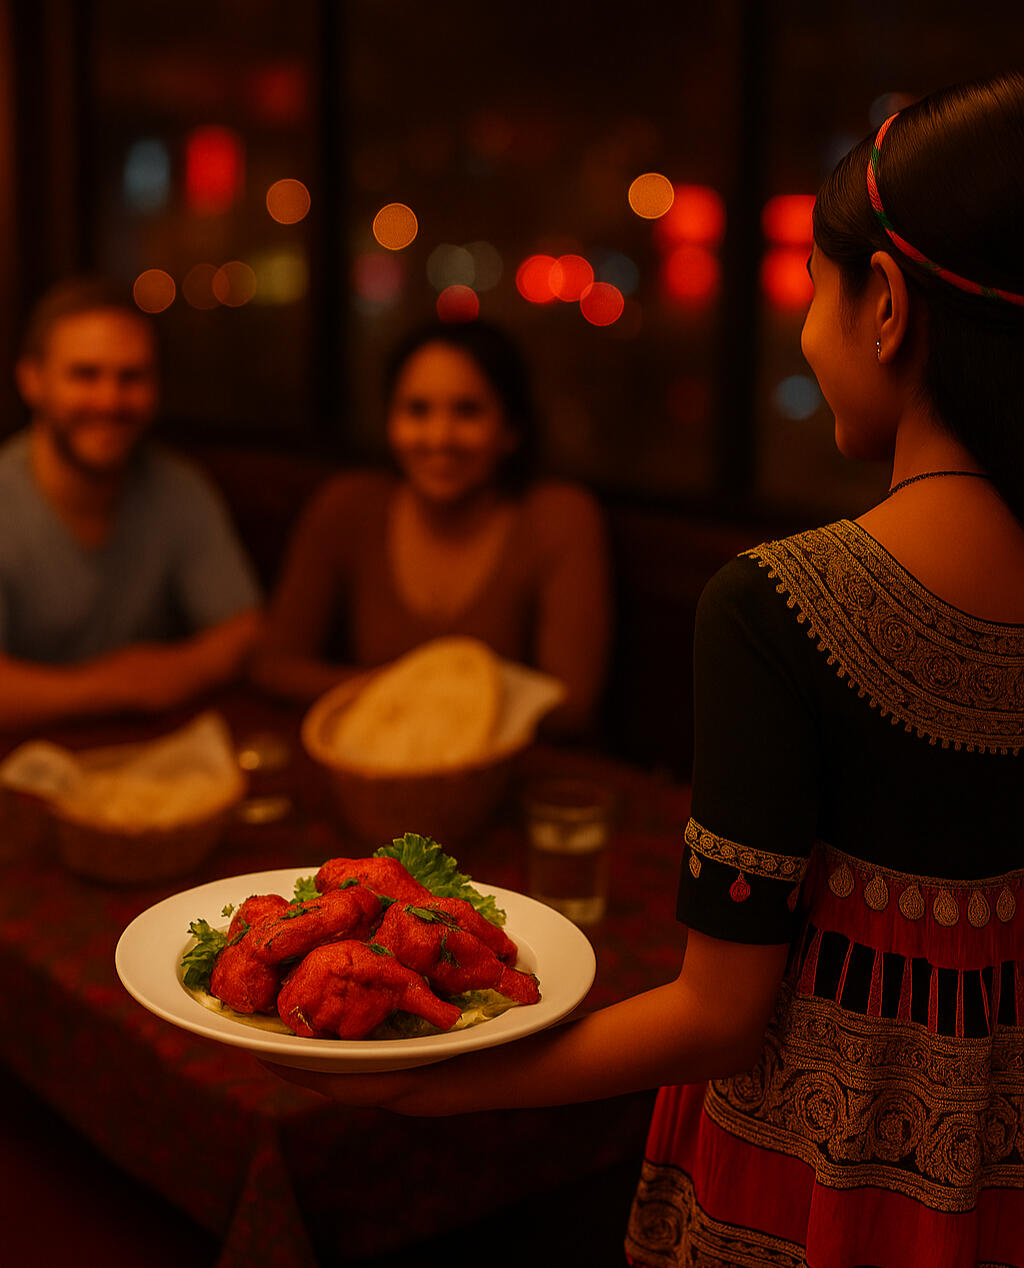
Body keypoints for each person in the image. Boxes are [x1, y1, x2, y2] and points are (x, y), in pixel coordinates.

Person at [271, 72, 1024, 1268]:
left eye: (812, 292)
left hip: (805, 1178)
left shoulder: (778, 603)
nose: (799, 330)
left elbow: (719, 1018)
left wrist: (441, 1083)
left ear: (884, 304)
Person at [251, 319, 611, 739]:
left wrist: (405, 701)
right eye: (417, 410)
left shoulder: (559, 517)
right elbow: (273, 665)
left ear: (511, 430)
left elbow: (570, 704)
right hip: (376, 763)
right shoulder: (349, 505)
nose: (439, 437)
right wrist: (407, 697)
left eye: (468, 411)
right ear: (390, 422)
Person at [0, 276, 262, 730]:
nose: (109, 400)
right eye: (85, 375)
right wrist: (114, 687)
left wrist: (174, 672)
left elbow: (244, 631)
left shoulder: (179, 487)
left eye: (131, 377)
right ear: (32, 381)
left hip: (149, 770)